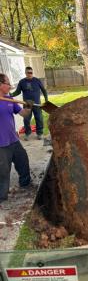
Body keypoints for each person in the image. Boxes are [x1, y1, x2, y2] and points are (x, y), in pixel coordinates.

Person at [0, 73, 33, 204]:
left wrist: (28, 107)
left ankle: (26, 185)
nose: (10, 86)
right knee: (3, 171)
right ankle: (2, 198)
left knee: (23, 161)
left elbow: (23, 114)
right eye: (8, 83)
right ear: (0, 85)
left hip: (13, 140)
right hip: (1, 144)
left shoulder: (9, 99)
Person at [10, 66, 48, 140]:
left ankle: (39, 133)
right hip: (27, 104)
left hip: (37, 104)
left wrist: (46, 100)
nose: (30, 74)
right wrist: (11, 94)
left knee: (39, 118)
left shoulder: (37, 80)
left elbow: (43, 90)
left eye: (31, 72)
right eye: (28, 73)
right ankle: (27, 133)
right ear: (25, 73)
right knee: (26, 119)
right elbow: (18, 91)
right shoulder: (22, 82)